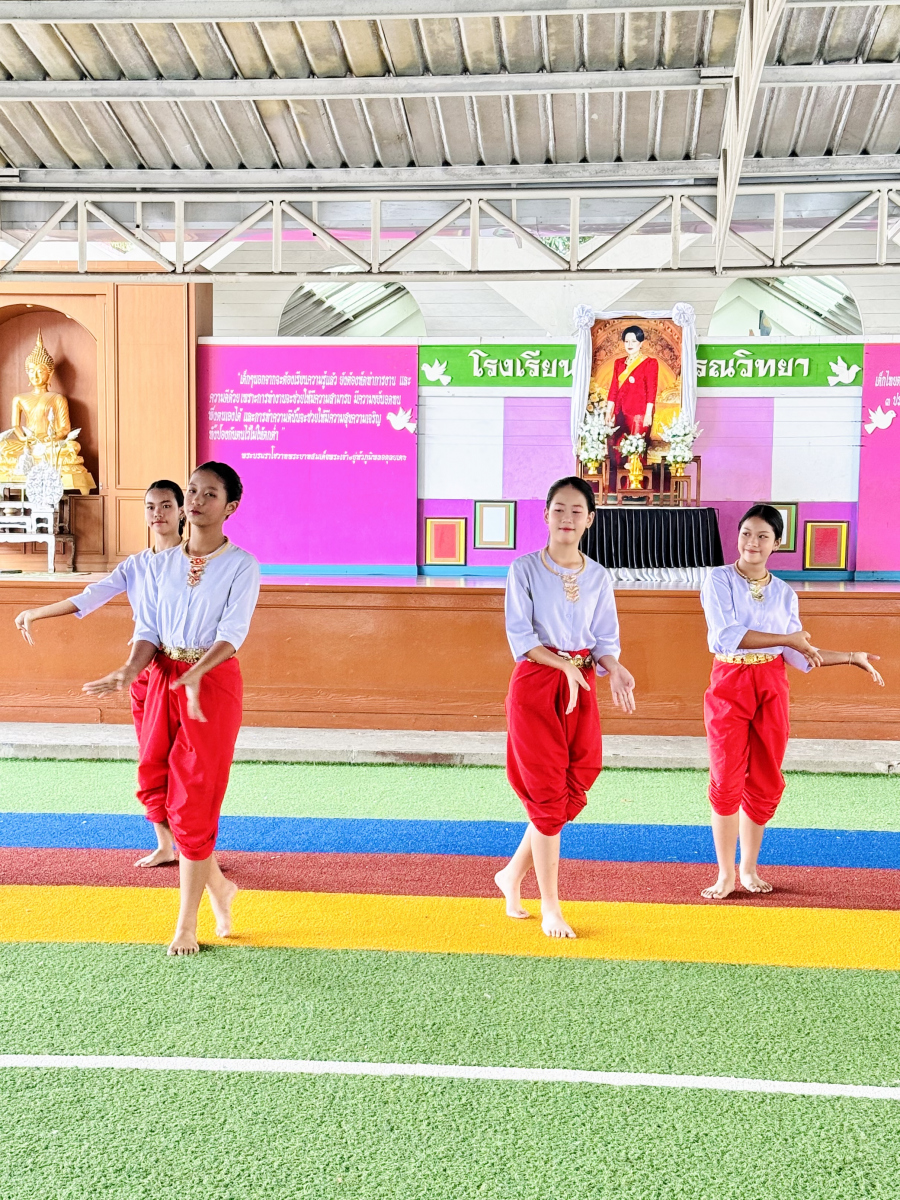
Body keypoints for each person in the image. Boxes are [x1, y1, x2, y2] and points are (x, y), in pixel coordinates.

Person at [83, 462, 260, 956]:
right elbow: (148, 629)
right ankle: (219, 885)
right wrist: (129, 669)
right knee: (156, 783)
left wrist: (197, 673)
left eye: (209, 494)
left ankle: (186, 924)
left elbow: (233, 633)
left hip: (211, 683)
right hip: (163, 676)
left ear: (230, 507)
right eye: (192, 491)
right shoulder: (161, 565)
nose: (196, 500)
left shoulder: (242, 565)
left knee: (194, 798)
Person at [699, 503, 884, 900]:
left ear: (777, 543)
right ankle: (725, 874)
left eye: (762, 536)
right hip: (729, 683)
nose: (752, 542)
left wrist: (851, 656)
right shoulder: (718, 579)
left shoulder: (784, 593)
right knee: (726, 776)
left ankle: (748, 869)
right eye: (746, 533)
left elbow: (799, 655)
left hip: (771, 685)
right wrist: (787, 639)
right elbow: (725, 636)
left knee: (765, 778)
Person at [14, 481, 186, 869]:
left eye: (165, 505)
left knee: (191, 765)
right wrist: (36, 613)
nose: (157, 513)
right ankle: (165, 845)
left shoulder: (195, 562)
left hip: (186, 671)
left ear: (181, 512)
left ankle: (198, 850)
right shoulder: (135, 565)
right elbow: (90, 596)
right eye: (150, 506)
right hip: (147, 673)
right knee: (152, 760)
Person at [494, 476, 636, 939]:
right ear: (545, 515)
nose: (567, 518)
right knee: (547, 794)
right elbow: (522, 638)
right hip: (537, 685)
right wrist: (563, 667)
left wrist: (615, 669)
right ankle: (550, 907)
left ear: (590, 519)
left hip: (581, 686)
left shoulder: (598, 576)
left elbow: (604, 640)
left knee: (578, 776)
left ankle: (510, 874)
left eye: (577, 510)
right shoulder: (524, 570)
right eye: (559, 509)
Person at [605, 325, 658, 442]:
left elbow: (651, 390)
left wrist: (648, 414)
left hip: (639, 413)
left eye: (634, 341)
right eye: (627, 341)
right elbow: (613, 388)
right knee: (618, 447)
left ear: (641, 343)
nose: (630, 344)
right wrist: (608, 411)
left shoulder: (650, 363)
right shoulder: (619, 363)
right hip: (620, 411)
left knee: (636, 447)